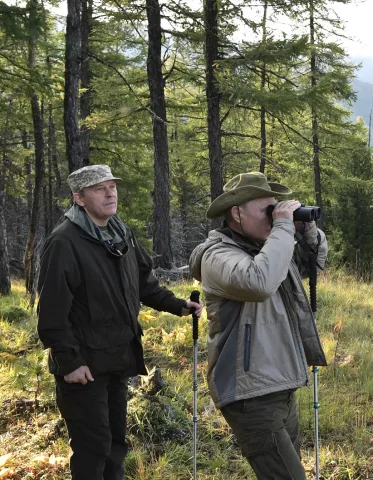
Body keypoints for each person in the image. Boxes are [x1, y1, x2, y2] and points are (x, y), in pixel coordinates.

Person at [36, 164, 203, 480]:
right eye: (100, 188)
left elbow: (143, 282)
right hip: (84, 367)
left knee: (115, 444)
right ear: (80, 198)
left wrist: (178, 305)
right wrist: (69, 362)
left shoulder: (120, 232)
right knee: (92, 447)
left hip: (118, 356)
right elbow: (51, 313)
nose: (110, 192)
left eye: (112, 186)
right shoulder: (65, 242)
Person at [189, 172, 327, 480]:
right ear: (236, 213)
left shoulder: (266, 247)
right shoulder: (218, 255)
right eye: (266, 209)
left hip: (280, 384)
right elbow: (259, 282)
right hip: (249, 392)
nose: (275, 215)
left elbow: (313, 265)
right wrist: (281, 226)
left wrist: (306, 231)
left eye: (276, 208)